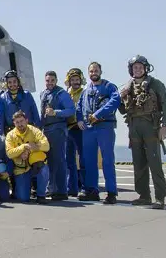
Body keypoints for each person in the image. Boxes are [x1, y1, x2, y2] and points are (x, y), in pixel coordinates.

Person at [119, 55, 166, 209]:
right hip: (134, 127)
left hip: (151, 126)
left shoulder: (156, 84)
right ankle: (144, 196)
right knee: (138, 163)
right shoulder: (127, 87)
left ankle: (160, 198)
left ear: (146, 68)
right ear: (131, 70)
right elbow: (123, 109)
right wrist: (120, 99)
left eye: (140, 67)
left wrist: (164, 125)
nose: (138, 69)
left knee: (155, 163)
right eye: (135, 67)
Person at [76, 62, 121, 204]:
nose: (93, 73)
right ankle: (92, 190)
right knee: (89, 161)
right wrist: (79, 120)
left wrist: (98, 114)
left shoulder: (109, 87)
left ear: (100, 71)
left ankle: (111, 192)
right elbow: (79, 107)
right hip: (88, 129)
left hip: (104, 127)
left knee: (107, 160)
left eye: (96, 70)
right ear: (88, 73)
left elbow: (115, 100)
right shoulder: (85, 90)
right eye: (91, 71)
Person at [39, 71, 75, 200]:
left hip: (58, 129)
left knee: (59, 160)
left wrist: (56, 112)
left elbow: (71, 110)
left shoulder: (61, 94)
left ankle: (61, 190)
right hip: (46, 130)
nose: (50, 83)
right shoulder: (43, 94)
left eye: (52, 80)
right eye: (48, 80)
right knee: (49, 161)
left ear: (56, 80)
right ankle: (52, 188)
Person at [5, 111, 50, 204]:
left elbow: (46, 146)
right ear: (14, 123)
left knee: (44, 168)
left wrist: (33, 148)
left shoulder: (34, 130)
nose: (20, 124)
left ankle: (41, 195)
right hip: (21, 168)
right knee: (23, 198)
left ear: (26, 120)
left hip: (35, 165)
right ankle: (20, 187)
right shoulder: (10, 135)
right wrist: (23, 147)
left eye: (21, 121)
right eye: (17, 122)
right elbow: (9, 153)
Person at [64, 68, 87, 196]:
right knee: (69, 161)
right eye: (73, 80)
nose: (75, 82)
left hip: (80, 129)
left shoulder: (84, 92)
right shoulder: (66, 94)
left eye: (77, 79)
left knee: (83, 159)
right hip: (68, 129)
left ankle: (84, 187)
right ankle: (71, 188)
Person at [0, 70, 40, 135]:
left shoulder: (27, 95)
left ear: (18, 82)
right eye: (10, 82)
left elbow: (35, 112)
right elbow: (0, 118)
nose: (12, 84)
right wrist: (0, 135)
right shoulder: (2, 98)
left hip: (29, 131)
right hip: (12, 133)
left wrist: (38, 129)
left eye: (14, 81)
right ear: (6, 84)